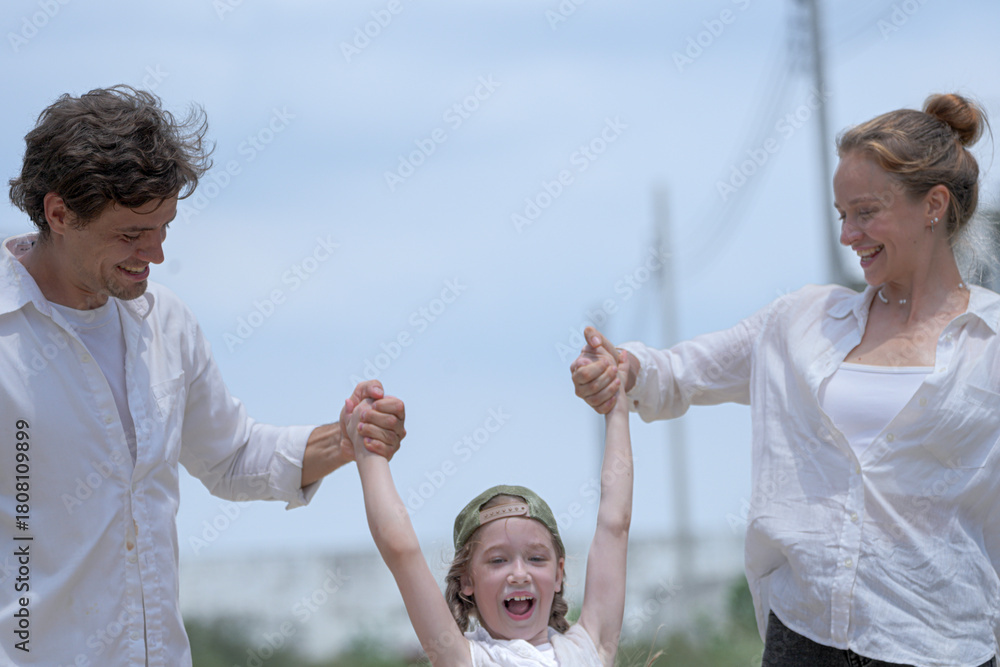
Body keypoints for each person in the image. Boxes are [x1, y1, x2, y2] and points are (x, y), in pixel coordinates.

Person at [571, 92, 999, 667]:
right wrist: (623, 367)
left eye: (865, 211)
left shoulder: (991, 342)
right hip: (802, 639)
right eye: (841, 215)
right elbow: (679, 372)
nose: (848, 234)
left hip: (941, 648)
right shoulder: (801, 321)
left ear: (934, 205)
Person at [0, 85, 406, 665]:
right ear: (59, 213)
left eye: (164, 227)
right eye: (131, 234)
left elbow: (232, 458)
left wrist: (343, 439)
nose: (156, 254)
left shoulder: (167, 322)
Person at [345, 337, 632, 666]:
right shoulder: (467, 657)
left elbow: (615, 526)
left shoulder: (588, 650)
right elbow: (402, 551)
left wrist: (617, 404)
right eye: (498, 561)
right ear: (467, 580)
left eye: (537, 558)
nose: (519, 574)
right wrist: (369, 450)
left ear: (558, 573)